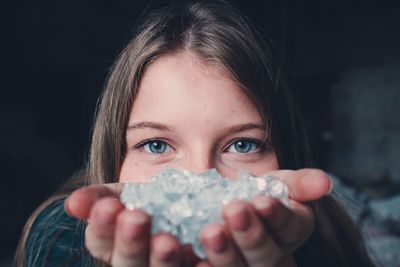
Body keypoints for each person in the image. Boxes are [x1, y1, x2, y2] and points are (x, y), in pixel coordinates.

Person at [15, 0, 376, 266]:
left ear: (286, 154)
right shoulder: (59, 241)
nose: (199, 176)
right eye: (156, 145)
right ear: (115, 155)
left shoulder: (331, 243)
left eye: (242, 144)